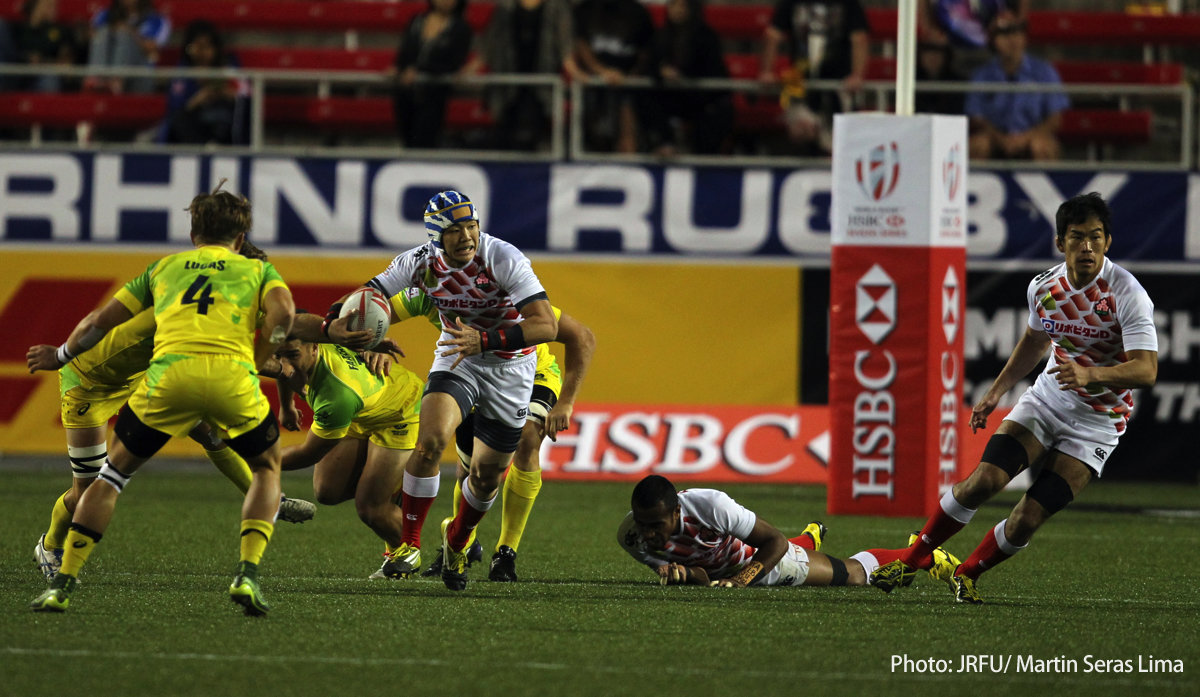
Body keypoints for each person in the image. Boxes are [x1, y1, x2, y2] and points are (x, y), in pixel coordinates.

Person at [868, 193, 1158, 604]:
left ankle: (967, 573)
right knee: (984, 480)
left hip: (1098, 421)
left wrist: (1091, 374)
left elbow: (1146, 370)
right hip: (1047, 402)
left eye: (1096, 237)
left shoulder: (1127, 294)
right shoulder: (1043, 287)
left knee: (1029, 517)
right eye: (1077, 237)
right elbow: (1035, 341)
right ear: (1060, 242)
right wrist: (996, 392)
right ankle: (911, 560)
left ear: (1108, 242)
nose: (1087, 246)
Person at [27, 183, 295, 616]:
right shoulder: (255, 272)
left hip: (161, 379)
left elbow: (96, 321)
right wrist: (262, 357)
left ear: (193, 233)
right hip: (100, 382)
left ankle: (63, 585)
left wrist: (59, 354)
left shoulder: (164, 270)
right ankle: (247, 572)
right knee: (267, 467)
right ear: (241, 238)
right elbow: (284, 316)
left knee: (112, 477)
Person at [357, 189, 557, 591]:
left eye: (471, 225)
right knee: (430, 441)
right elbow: (370, 293)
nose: (466, 236)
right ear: (436, 237)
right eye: (454, 229)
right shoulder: (420, 263)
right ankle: (409, 544)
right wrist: (359, 328)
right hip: (457, 357)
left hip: (512, 369)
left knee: (486, 477)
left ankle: (458, 540)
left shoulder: (504, 258)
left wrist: (486, 340)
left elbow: (547, 325)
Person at [419, 299, 596, 582]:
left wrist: (565, 403)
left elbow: (582, 336)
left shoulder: (511, 298)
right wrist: (369, 344)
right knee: (471, 468)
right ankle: (461, 543)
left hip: (533, 374)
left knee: (528, 441)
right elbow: (376, 306)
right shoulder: (432, 291)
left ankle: (506, 552)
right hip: (475, 375)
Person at [270, 315, 423, 579]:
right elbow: (283, 370)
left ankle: (407, 551)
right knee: (327, 491)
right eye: (278, 355)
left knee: (371, 508)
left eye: (292, 355)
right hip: (363, 407)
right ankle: (386, 485)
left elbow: (308, 454)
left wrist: (255, 458)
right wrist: (286, 406)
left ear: (314, 347)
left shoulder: (336, 396)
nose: (286, 363)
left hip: (400, 410)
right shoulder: (324, 337)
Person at [618, 475, 959, 590]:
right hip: (722, 571)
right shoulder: (630, 538)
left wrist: (741, 580)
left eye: (655, 525)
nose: (647, 533)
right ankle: (809, 538)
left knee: (853, 575)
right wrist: (683, 575)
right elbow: (702, 575)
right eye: (641, 524)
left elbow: (775, 542)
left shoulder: (711, 506)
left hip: (761, 561)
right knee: (806, 553)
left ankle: (921, 555)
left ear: (676, 511)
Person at [468, 0, 582, 151]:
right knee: (505, 134)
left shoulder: (556, 8)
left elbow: (565, 46)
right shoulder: (505, 7)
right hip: (508, 84)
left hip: (542, 85)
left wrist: (575, 71)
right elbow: (489, 44)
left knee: (531, 133)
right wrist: (470, 69)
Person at [759, 0, 869, 154]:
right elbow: (772, 35)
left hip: (835, 88)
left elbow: (859, 38)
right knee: (810, 134)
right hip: (806, 86)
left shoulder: (848, 4)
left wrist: (857, 75)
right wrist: (767, 71)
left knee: (836, 140)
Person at [964, 12, 1068, 161]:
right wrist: (1000, 138)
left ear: (1024, 37)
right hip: (994, 138)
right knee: (978, 145)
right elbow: (976, 117)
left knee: (1042, 147)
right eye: (1004, 34)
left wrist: (1026, 138)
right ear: (993, 40)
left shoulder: (1045, 71)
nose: (1011, 39)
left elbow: (1055, 119)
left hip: (1032, 136)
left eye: (1017, 32)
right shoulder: (982, 74)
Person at [643, 0, 733, 157]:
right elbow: (650, 67)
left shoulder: (706, 37)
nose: (677, 10)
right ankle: (665, 143)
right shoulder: (660, 35)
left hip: (700, 97)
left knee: (718, 110)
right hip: (671, 97)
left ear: (692, 8)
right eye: (673, 5)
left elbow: (716, 72)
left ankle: (704, 158)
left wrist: (684, 74)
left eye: (682, 6)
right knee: (644, 96)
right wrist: (661, 71)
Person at [572, 0, 655, 153]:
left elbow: (647, 50)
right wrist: (602, 72)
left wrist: (630, 77)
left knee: (629, 130)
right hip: (593, 84)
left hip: (630, 84)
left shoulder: (638, 11)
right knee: (597, 135)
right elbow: (580, 44)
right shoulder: (585, 9)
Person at [390, 0, 473, 149]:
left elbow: (453, 64)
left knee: (425, 142)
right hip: (406, 93)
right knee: (407, 142)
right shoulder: (416, 21)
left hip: (434, 95)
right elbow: (404, 52)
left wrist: (420, 71)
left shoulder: (461, 28)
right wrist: (400, 69)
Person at [159, 19, 249, 145]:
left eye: (207, 46)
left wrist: (226, 94)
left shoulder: (228, 67)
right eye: (197, 46)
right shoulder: (182, 72)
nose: (202, 52)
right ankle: (204, 146)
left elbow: (246, 94)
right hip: (195, 124)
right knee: (178, 121)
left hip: (223, 119)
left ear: (215, 48)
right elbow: (175, 109)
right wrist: (198, 99)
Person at [84, 0, 170, 94]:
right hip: (108, 64)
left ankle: (116, 80)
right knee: (104, 32)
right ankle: (96, 78)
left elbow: (152, 48)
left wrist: (129, 32)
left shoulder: (156, 19)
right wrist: (113, 31)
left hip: (140, 72)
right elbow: (92, 36)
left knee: (124, 36)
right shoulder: (107, 14)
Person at [920, 0, 1029, 49]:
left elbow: (1017, 19)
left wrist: (1017, 19)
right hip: (949, 41)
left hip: (992, 42)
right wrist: (929, 29)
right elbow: (927, 24)